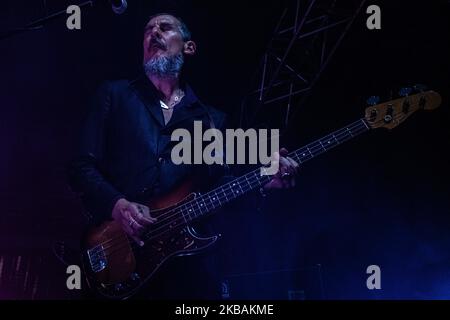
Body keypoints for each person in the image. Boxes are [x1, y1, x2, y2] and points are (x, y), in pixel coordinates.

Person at [68, 13, 299, 299]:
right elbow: (80, 166)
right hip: (113, 248)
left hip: (180, 272)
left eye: (164, 28)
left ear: (188, 48)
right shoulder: (114, 95)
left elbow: (220, 189)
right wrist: (117, 204)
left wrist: (264, 183)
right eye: (147, 30)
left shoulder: (211, 121)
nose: (153, 33)